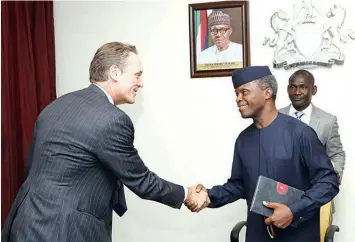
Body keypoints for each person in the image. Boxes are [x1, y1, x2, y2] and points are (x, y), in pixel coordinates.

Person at [1, 42, 209, 242]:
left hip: (25, 223)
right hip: (66, 230)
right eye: (137, 74)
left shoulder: (55, 106)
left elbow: (33, 169)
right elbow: (142, 181)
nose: (141, 82)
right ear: (115, 73)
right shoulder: (112, 119)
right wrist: (185, 194)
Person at [185, 66, 339, 242]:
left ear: (267, 93)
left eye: (244, 92)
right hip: (257, 234)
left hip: (298, 236)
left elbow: (328, 181)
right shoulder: (243, 140)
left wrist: (293, 210)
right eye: (236, 94)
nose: (238, 99)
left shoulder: (301, 134)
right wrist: (208, 195)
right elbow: (239, 185)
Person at [279, 69, 345, 182]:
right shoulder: (275, 117)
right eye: (292, 87)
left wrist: (333, 177)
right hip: (280, 187)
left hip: (316, 189)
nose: (297, 92)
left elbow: (336, 153)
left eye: (303, 87)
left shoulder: (328, 121)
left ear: (313, 90)